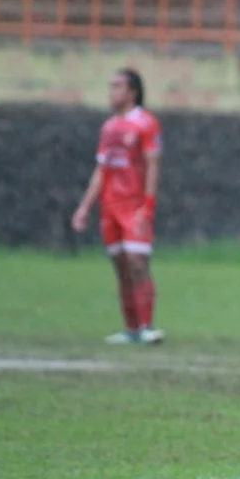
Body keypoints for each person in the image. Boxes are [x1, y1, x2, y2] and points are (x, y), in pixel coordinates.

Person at [71, 68, 165, 345]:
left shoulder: (146, 124)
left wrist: (147, 208)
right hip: (110, 207)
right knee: (121, 267)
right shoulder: (109, 127)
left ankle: (148, 326)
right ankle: (132, 329)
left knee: (138, 263)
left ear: (132, 92)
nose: (112, 92)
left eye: (117, 87)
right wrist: (84, 207)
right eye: (111, 86)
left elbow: (153, 166)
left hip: (134, 206)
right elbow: (102, 170)